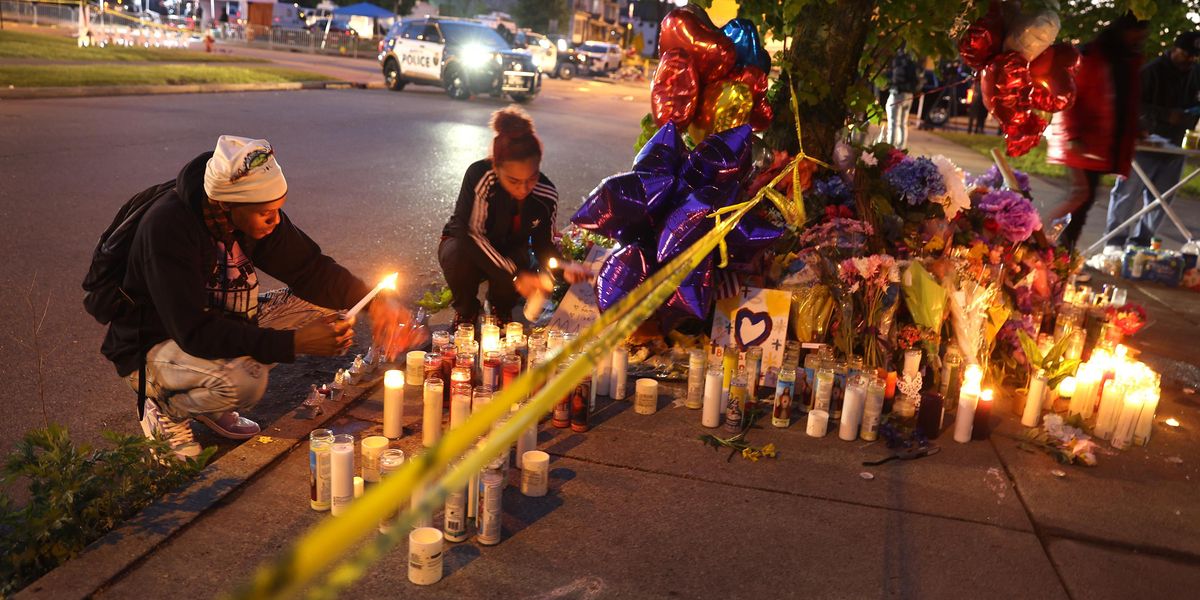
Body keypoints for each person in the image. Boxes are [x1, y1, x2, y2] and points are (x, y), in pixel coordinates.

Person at [100, 135, 418, 458]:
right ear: (227, 203)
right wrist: (295, 343)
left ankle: (209, 403)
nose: (276, 220)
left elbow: (310, 270)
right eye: (266, 212)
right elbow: (193, 332)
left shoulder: (249, 213)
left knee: (328, 301)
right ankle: (164, 406)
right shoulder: (168, 229)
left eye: (278, 208)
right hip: (154, 346)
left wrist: (375, 303)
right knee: (245, 383)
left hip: (210, 325)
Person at [439, 106, 588, 328]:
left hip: (511, 251)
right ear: (496, 167)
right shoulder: (481, 176)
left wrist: (564, 267)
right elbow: (470, 234)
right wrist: (517, 276)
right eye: (513, 181)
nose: (523, 189)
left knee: (518, 260)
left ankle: (502, 308)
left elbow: (543, 245)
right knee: (458, 255)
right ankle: (466, 312)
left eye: (531, 178)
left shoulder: (546, 195)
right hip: (468, 246)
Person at [1045, 14, 1148, 251]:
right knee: (1080, 196)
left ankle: (1059, 249)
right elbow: (1071, 96)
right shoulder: (1092, 57)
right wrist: (1072, 135)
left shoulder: (1125, 59)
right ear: (1125, 30)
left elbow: (1125, 102)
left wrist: (1136, 129)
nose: (1140, 39)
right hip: (1083, 141)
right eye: (1137, 33)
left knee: (1084, 199)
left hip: (1097, 144)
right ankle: (1043, 238)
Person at [1105, 31, 1200, 248]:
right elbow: (1131, 105)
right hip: (1144, 143)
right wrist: (1165, 115)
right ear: (1175, 49)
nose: (1191, 60)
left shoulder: (1195, 73)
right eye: (1187, 54)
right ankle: (1115, 240)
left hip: (1176, 145)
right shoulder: (1151, 71)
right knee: (1127, 193)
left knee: (1162, 199)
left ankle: (1141, 242)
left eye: (1195, 56)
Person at [878, 47, 921, 148]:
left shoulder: (899, 61)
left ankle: (891, 147)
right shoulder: (912, 62)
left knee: (893, 123)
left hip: (897, 94)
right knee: (902, 123)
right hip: (908, 95)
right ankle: (901, 147)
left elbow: (894, 78)